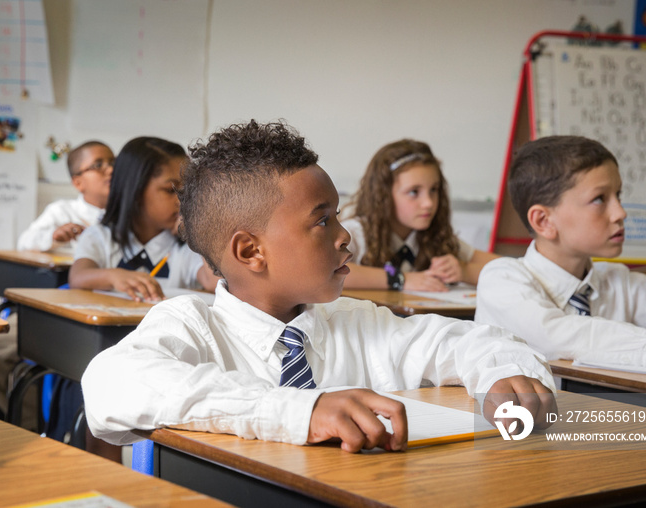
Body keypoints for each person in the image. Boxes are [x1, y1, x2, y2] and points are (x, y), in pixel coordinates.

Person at [81, 120, 556, 452]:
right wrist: (300, 412)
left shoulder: (359, 323)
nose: (344, 236)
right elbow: (109, 384)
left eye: (339, 217)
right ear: (250, 252)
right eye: (322, 221)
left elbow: (473, 342)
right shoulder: (192, 325)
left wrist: (505, 371)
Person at [475, 135, 646, 369]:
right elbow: (558, 339)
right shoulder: (502, 280)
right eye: (599, 199)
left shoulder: (619, 281)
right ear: (543, 221)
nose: (620, 213)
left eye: (618, 196)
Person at [68, 136, 219, 300]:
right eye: (170, 190)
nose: (183, 200)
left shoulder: (186, 246)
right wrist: (113, 276)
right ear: (135, 191)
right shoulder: (100, 236)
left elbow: (214, 282)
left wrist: (197, 230)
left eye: (187, 190)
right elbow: (77, 277)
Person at [341, 139, 498, 292]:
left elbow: (507, 269)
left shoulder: (436, 236)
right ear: (384, 195)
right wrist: (402, 279)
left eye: (434, 190)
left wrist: (465, 271)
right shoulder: (355, 233)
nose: (428, 203)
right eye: (413, 192)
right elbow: (327, 271)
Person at [17, 141, 115, 252]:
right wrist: (53, 237)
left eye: (113, 163)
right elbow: (24, 243)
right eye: (98, 165)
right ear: (78, 183)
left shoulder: (129, 213)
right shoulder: (62, 211)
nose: (111, 170)